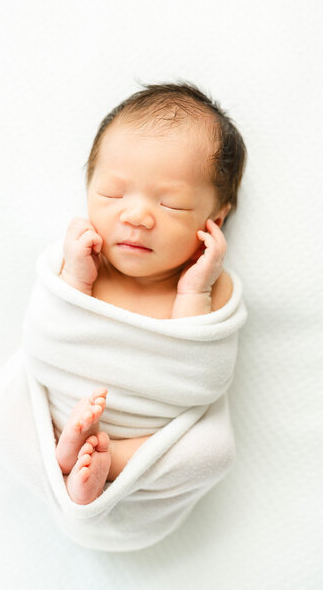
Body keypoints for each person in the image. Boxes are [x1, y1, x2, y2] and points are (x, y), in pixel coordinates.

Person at [53, 80, 247, 505]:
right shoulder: (80, 261)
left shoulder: (210, 287)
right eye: (113, 193)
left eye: (171, 203)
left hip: (151, 440)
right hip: (65, 409)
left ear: (216, 215)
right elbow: (51, 337)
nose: (137, 215)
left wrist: (194, 291)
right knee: (0, 404)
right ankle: (60, 456)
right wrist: (77, 281)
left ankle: (110, 460)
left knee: (214, 452)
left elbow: (200, 374)